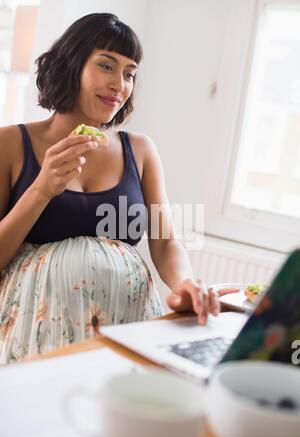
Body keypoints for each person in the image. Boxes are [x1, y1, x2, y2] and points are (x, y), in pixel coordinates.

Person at [0, 13, 229, 365]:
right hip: (33, 335)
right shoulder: (11, 144)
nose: (119, 84)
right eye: (106, 66)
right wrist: (41, 189)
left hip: (127, 323)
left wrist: (184, 283)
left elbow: (166, 241)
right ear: (71, 65)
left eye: (129, 73)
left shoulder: (139, 150)